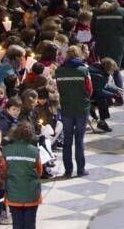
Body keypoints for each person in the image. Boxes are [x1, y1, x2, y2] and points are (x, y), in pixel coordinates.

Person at [55, 46, 92, 178]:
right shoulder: (84, 70)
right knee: (79, 139)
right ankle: (81, 169)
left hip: (66, 108)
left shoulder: (59, 71)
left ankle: (68, 171)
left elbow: (58, 88)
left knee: (67, 140)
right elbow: (89, 90)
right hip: (81, 108)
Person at [2, 122, 43, 229]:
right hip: (32, 194)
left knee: (17, 224)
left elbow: (4, 171)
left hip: (13, 193)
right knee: (30, 224)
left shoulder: (6, 150)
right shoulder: (35, 151)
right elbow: (39, 171)